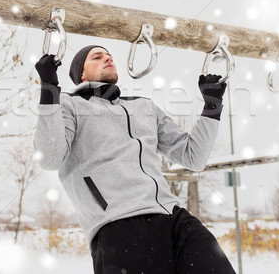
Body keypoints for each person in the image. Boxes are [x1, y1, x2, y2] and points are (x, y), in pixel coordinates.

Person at [34, 45, 236, 274]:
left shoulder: (143, 107)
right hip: (118, 226)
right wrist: (49, 88)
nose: (107, 58)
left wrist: (212, 105)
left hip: (173, 218)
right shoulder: (69, 105)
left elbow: (193, 156)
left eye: (109, 55)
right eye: (97, 57)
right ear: (81, 74)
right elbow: (50, 159)